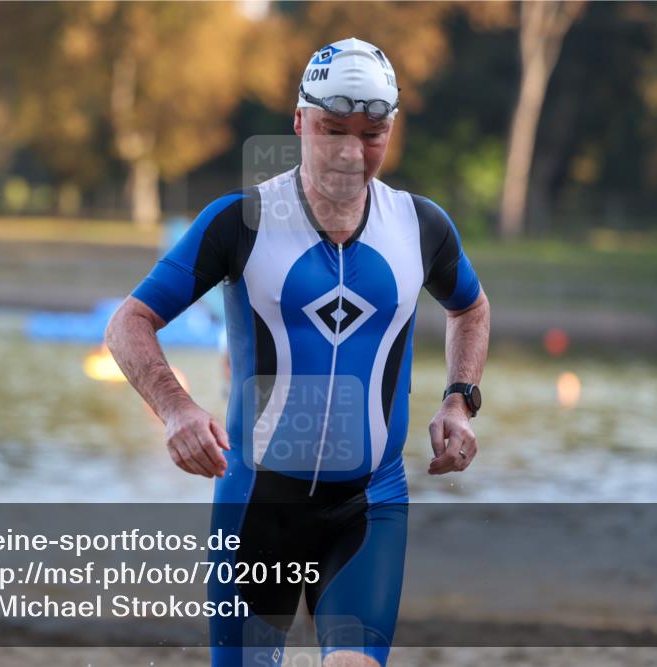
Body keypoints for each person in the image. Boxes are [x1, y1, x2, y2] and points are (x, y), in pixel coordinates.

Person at [106, 37, 490, 667]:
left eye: (371, 134)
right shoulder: (239, 222)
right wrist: (175, 409)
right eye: (331, 128)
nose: (348, 152)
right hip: (257, 505)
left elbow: (470, 307)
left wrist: (459, 400)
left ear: (392, 130)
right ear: (299, 121)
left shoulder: (421, 228)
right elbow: (130, 323)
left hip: (368, 507)